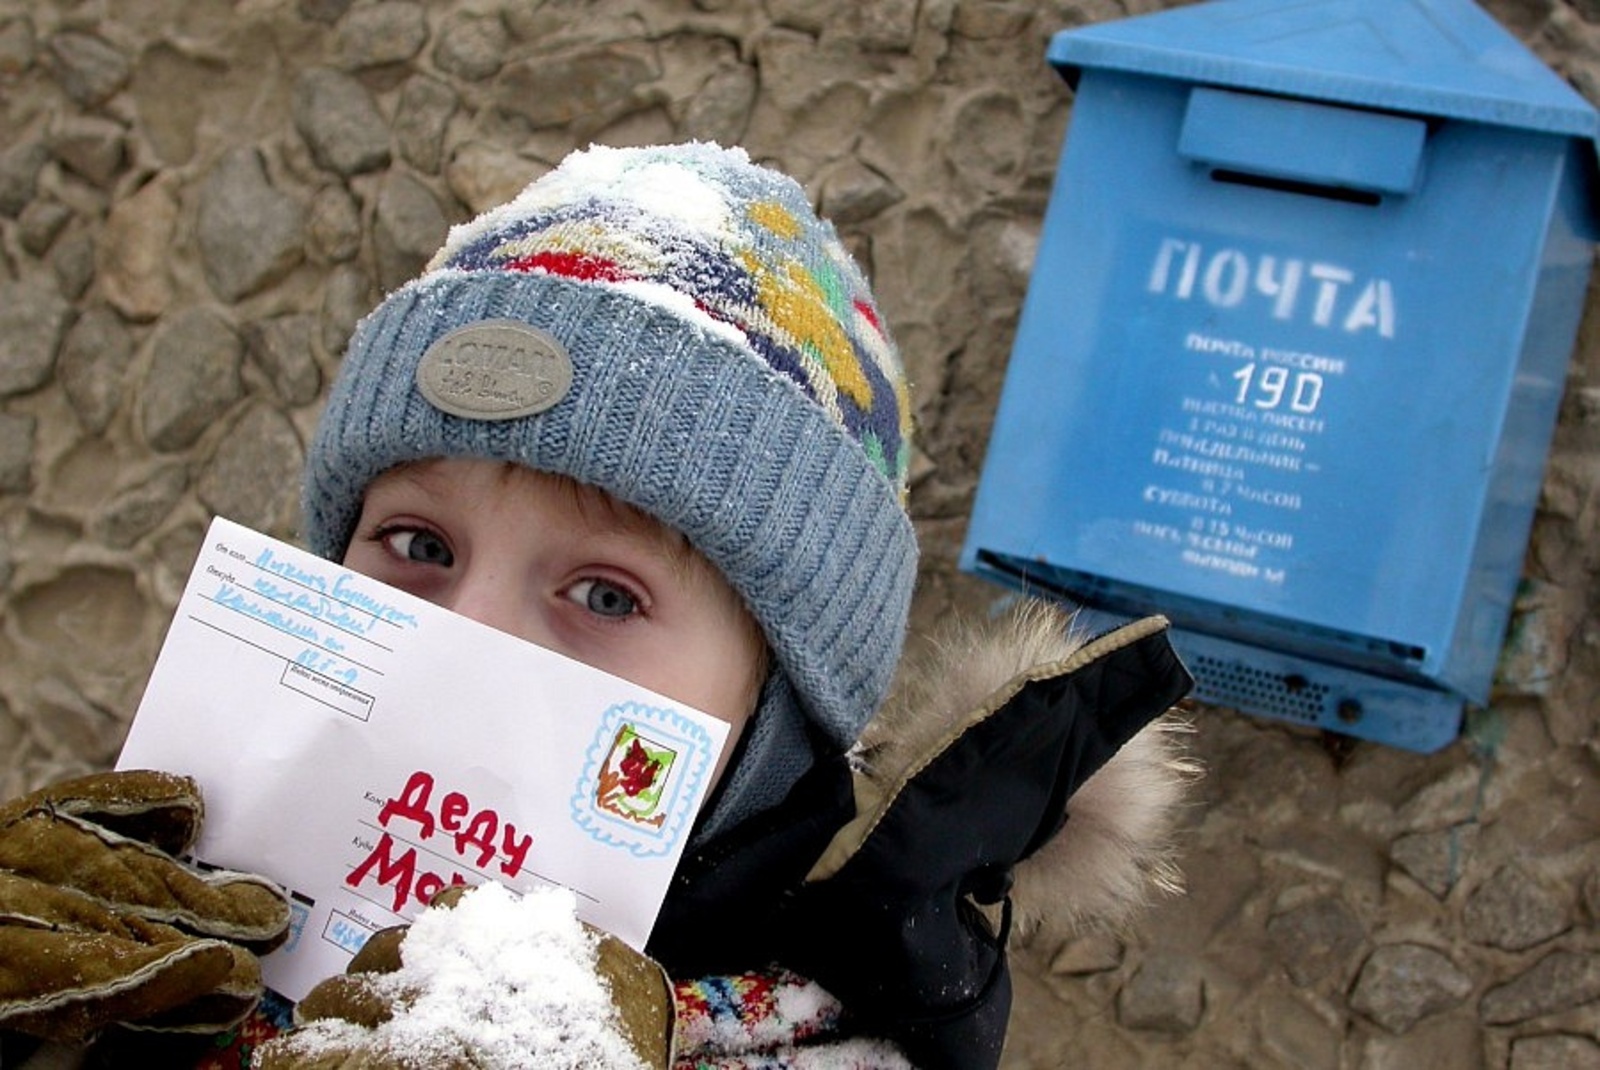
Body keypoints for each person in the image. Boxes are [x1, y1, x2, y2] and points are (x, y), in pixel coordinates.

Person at [0, 142, 1195, 1069]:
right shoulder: (150, 936)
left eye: (604, 591)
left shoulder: (852, 1039)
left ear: (774, 719)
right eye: (416, 541)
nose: (464, 636)